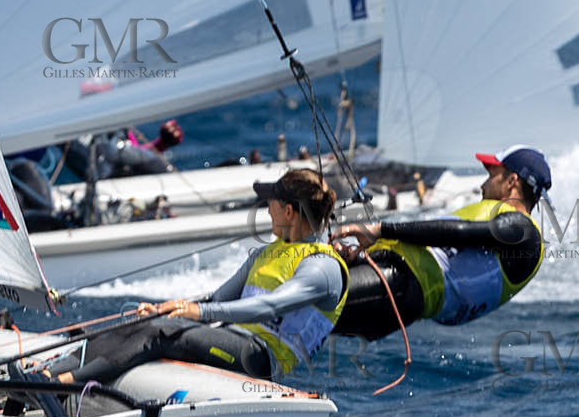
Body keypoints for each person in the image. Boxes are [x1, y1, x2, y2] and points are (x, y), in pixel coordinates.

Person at [46, 169, 349, 384]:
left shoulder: (322, 268)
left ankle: (63, 384)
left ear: (289, 212)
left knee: (161, 333)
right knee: (140, 322)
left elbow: (269, 307)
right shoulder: (267, 253)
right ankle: (47, 373)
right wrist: (169, 308)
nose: (266, 210)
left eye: (270, 203)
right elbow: (217, 299)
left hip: (261, 359)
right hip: (232, 338)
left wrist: (198, 312)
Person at [331, 145, 550, 339]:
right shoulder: (507, 233)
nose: (483, 185)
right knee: (308, 320)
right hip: (398, 296)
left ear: (512, 181)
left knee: (311, 301)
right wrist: (356, 256)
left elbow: (459, 233)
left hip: (397, 283)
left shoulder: (523, 231)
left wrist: (381, 230)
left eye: (492, 176)